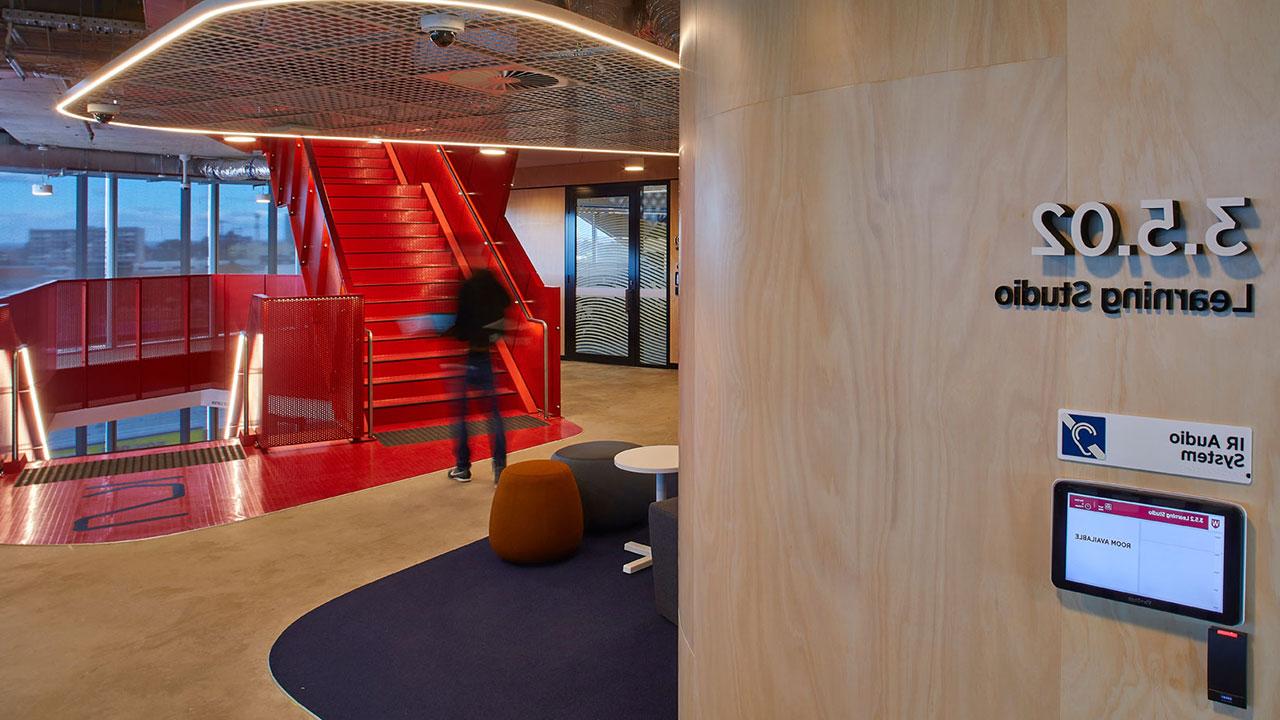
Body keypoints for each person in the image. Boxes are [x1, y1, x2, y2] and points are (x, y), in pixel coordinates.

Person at [445, 269, 510, 483]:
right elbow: (501, 324)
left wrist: (447, 332)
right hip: (486, 358)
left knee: (461, 416)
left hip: (466, 359)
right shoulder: (495, 292)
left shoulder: (468, 289)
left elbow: (461, 329)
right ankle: (500, 469)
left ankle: (463, 467)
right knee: (494, 415)